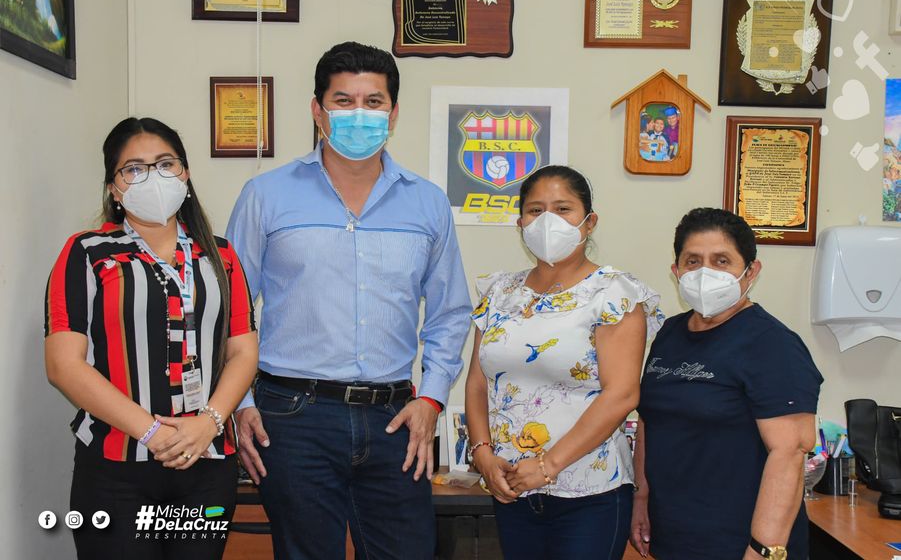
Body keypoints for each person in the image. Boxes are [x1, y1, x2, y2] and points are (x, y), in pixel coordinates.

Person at [226, 41, 471, 559]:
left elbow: (449, 312)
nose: (359, 114)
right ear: (318, 111)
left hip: (395, 418)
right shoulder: (265, 195)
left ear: (393, 113)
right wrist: (239, 404)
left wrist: (431, 398)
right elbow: (230, 310)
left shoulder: (427, 202)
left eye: (373, 102)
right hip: (292, 416)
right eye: (343, 101)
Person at [44, 117, 259, 560]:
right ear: (114, 187)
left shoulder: (220, 255)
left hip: (207, 467)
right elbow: (64, 365)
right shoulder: (86, 252)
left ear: (185, 174)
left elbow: (242, 350)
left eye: (165, 164)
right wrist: (152, 432)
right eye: (133, 169)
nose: (152, 177)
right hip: (116, 472)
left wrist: (210, 422)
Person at [464, 165, 664, 559]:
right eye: (536, 210)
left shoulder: (613, 293)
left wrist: (547, 466)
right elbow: (477, 382)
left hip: (590, 492)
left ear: (589, 222)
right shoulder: (499, 292)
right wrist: (482, 452)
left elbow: (622, 394)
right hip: (512, 487)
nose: (548, 221)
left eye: (563, 209)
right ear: (520, 223)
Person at [630, 208, 823, 560]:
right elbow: (649, 419)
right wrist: (640, 497)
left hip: (742, 543)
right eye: (693, 261)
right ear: (676, 271)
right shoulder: (669, 334)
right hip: (675, 536)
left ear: (751, 271)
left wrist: (763, 550)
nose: (706, 273)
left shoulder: (773, 344)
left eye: (722, 261)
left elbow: (789, 453)